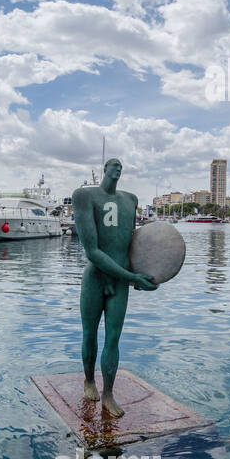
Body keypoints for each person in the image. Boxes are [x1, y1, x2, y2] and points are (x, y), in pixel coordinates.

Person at [69, 157, 159, 399]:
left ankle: (108, 394)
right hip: (96, 277)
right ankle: (89, 382)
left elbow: (131, 243)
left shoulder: (130, 200)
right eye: (113, 165)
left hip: (120, 279)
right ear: (104, 169)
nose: (118, 168)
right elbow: (92, 251)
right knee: (89, 333)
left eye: (121, 166)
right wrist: (131, 276)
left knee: (113, 338)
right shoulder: (84, 196)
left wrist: (137, 275)